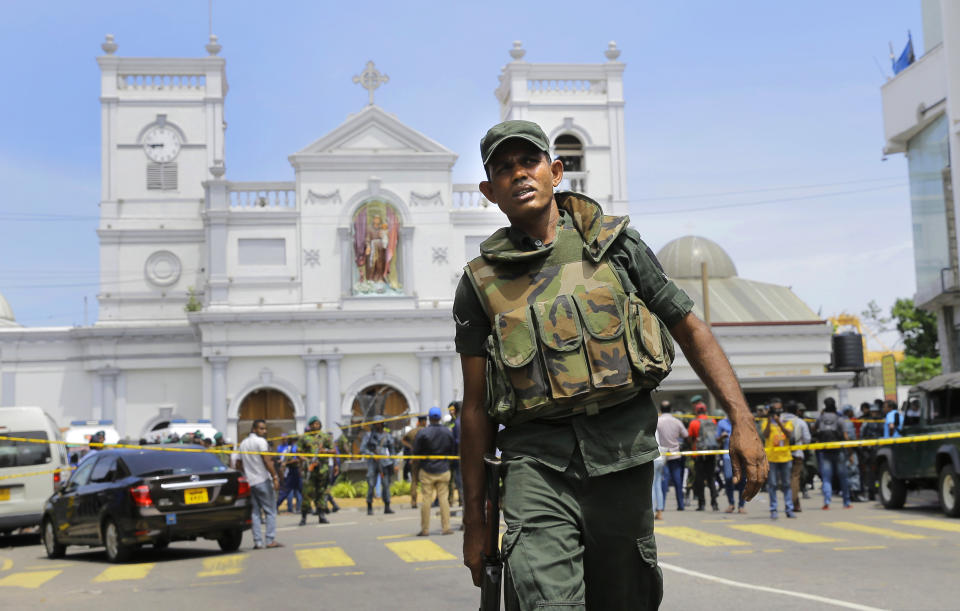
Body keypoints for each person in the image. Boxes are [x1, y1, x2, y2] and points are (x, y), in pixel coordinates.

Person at [455, 120, 768, 609]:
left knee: (626, 599)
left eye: (529, 162)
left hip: (621, 459)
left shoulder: (615, 246)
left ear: (555, 171)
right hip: (535, 464)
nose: (519, 175)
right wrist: (475, 523)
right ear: (488, 191)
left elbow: (689, 327)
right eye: (503, 169)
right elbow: (474, 409)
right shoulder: (479, 283)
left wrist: (742, 422)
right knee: (547, 601)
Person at [238, 419, 282, 549]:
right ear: (254, 429)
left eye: (265, 429)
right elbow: (267, 461)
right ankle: (269, 540)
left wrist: (245, 475)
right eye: (261, 429)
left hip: (250, 482)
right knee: (270, 511)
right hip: (262, 480)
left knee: (255, 513)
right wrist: (275, 476)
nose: (264, 431)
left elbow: (238, 464)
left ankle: (257, 541)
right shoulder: (261, 442)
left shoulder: (243, 443)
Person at [413, 406, 457, 536]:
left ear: (429, 418)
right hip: (443, 469)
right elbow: (452, 451)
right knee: (444, 499)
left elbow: (416, 452)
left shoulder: (423, 433)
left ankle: (425, 529)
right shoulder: (448, 432)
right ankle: (446, 527)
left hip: (427, 470)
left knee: (426, 499)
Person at [812, 398, 851, 510]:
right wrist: (850, 451)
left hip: (825, 451)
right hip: (839, 451)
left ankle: (827, 502)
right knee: (843, 477)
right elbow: (845, 436)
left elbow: (814, 430)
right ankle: (846, 502)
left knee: (826, 478)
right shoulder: (839, 418)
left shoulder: (821, 418)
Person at [299, 416, 338, 525]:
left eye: (317, 424)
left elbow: (334, 451)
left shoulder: (325, 437)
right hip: (309, 470)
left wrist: (325, 452)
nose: (315, 426)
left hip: (323, 469)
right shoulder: (304, 438)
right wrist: (306, 460)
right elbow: (298, 453)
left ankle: (321, 515)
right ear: (310, 426)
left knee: (321, 492)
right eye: (313, 424)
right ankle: (303, 517)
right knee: (307, 493)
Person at [761, 401, 795, 519]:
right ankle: (773, 509)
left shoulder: (787, 421)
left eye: (778, 409)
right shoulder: (766, 421)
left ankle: (789, 509)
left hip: (785, 457)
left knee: (786, 484)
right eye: (774, 410)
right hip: (771, 458)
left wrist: (779, 421)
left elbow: (789, 434)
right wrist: (770, 420)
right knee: (772, 484)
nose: (777, 412)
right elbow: (765, 435)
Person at [687, 397, 720, 511]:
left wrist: (693, 450)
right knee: (711, 478)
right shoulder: (713, 421)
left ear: (696, 411)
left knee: (700, 479)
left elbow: (691, 439)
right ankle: (714, 503)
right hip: (711, 452)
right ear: (705, 411)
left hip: (699, 453)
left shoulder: (694, 422)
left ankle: (701, 504)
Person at [361, 416, 398, 515]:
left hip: (385, 463)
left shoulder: (387, 435)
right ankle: (369, 506)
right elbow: (363, 449)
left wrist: (395, 463)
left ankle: (387, 506)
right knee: (371, 484)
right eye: (376, 423)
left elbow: (392, 451)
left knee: (386, 485)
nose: (378, 425)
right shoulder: (368, 436)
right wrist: (372, 455)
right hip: (372, 463)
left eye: (379, 423)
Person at [656, 400, 688, 514]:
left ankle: (661, 505)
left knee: (663, 480)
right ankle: (681, 505)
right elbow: (686, 435)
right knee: (677, 480)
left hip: (662, 454)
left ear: (660, 409)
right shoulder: (677, 421)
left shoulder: (657, 421)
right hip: (675, 454)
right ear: (670, 409)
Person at [781, 400, 811, 512]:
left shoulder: (780, 421)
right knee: (795, 478)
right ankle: (793, 503)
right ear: (797, 411)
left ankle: (792, 503)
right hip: (797, 454)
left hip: (781, 453)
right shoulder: (800, 422)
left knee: (785, 480)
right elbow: (807, 439)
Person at [717, 414, 746, 513]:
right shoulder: (722, 423)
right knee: (728, 478)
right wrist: (722, 437)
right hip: (727, 456)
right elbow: (717, 440)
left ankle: (741, 506)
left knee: (742, 480)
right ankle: (731, 504)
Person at [402, 415, 427, 508]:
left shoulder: (412, 431)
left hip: (414, 458)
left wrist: (411, 446)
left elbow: (403, 440)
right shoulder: (426, 431)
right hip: (425, 459)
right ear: (424, 421)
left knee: (414, 481)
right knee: (425, 480)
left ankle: (413, 502)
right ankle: (426, 500)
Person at [840, 405, 863, 502]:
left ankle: (847, 493)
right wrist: (851, 453)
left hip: (841, 451)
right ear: (848, 412)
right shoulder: (848, 423)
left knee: (846, 472)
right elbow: (849, 438)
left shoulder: (840, 421)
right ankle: (854, 494)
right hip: (849, 451)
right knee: (854, 471)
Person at [275, 432, 302, 514]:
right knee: (287, 491)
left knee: (301, 490)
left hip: (295, 471)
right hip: (293, 471)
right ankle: (275, 506)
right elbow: (296, 459)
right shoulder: (293, 448)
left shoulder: (291, 448)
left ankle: (303, 508)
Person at [447, 401, 464, 507]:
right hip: (468, 455)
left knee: (459, 479)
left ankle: (462, 500)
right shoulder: (467, 420)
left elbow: (456, 441)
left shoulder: (457, 423)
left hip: (458, 455)